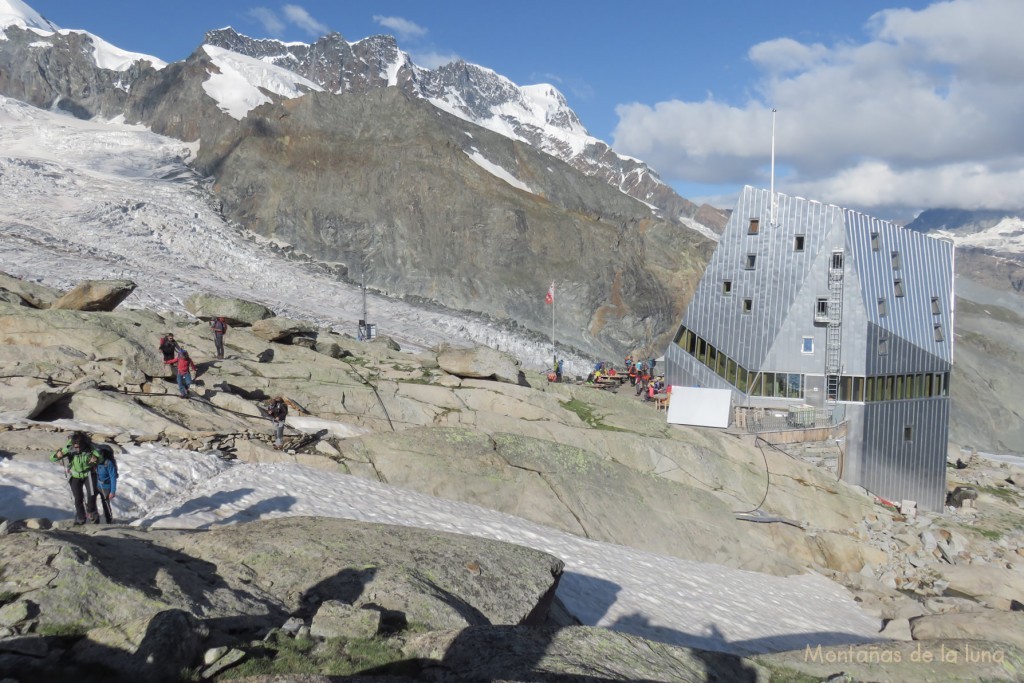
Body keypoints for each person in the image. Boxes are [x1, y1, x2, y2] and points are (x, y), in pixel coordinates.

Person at [51, 431, 104, 525]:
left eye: (79, 446)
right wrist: (57, 455)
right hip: (75, 475)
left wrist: (96, 458)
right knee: (78, 497)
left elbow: (100, 456)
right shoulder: (69, 449)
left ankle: (91, 512)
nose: (77, 449)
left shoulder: (90, 448)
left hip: (89, 474)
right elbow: (52, 458)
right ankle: (81, 516)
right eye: (75, 446)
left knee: (92, 494)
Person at [94, 444, 118, 523]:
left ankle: (109, 520)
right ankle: (95, 519)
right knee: (91, 501)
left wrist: (112, 491)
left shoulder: (108, 463)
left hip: (106, 486)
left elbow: (113, 477)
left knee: (105, 503)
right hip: (96, 484)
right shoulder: (94, 461)